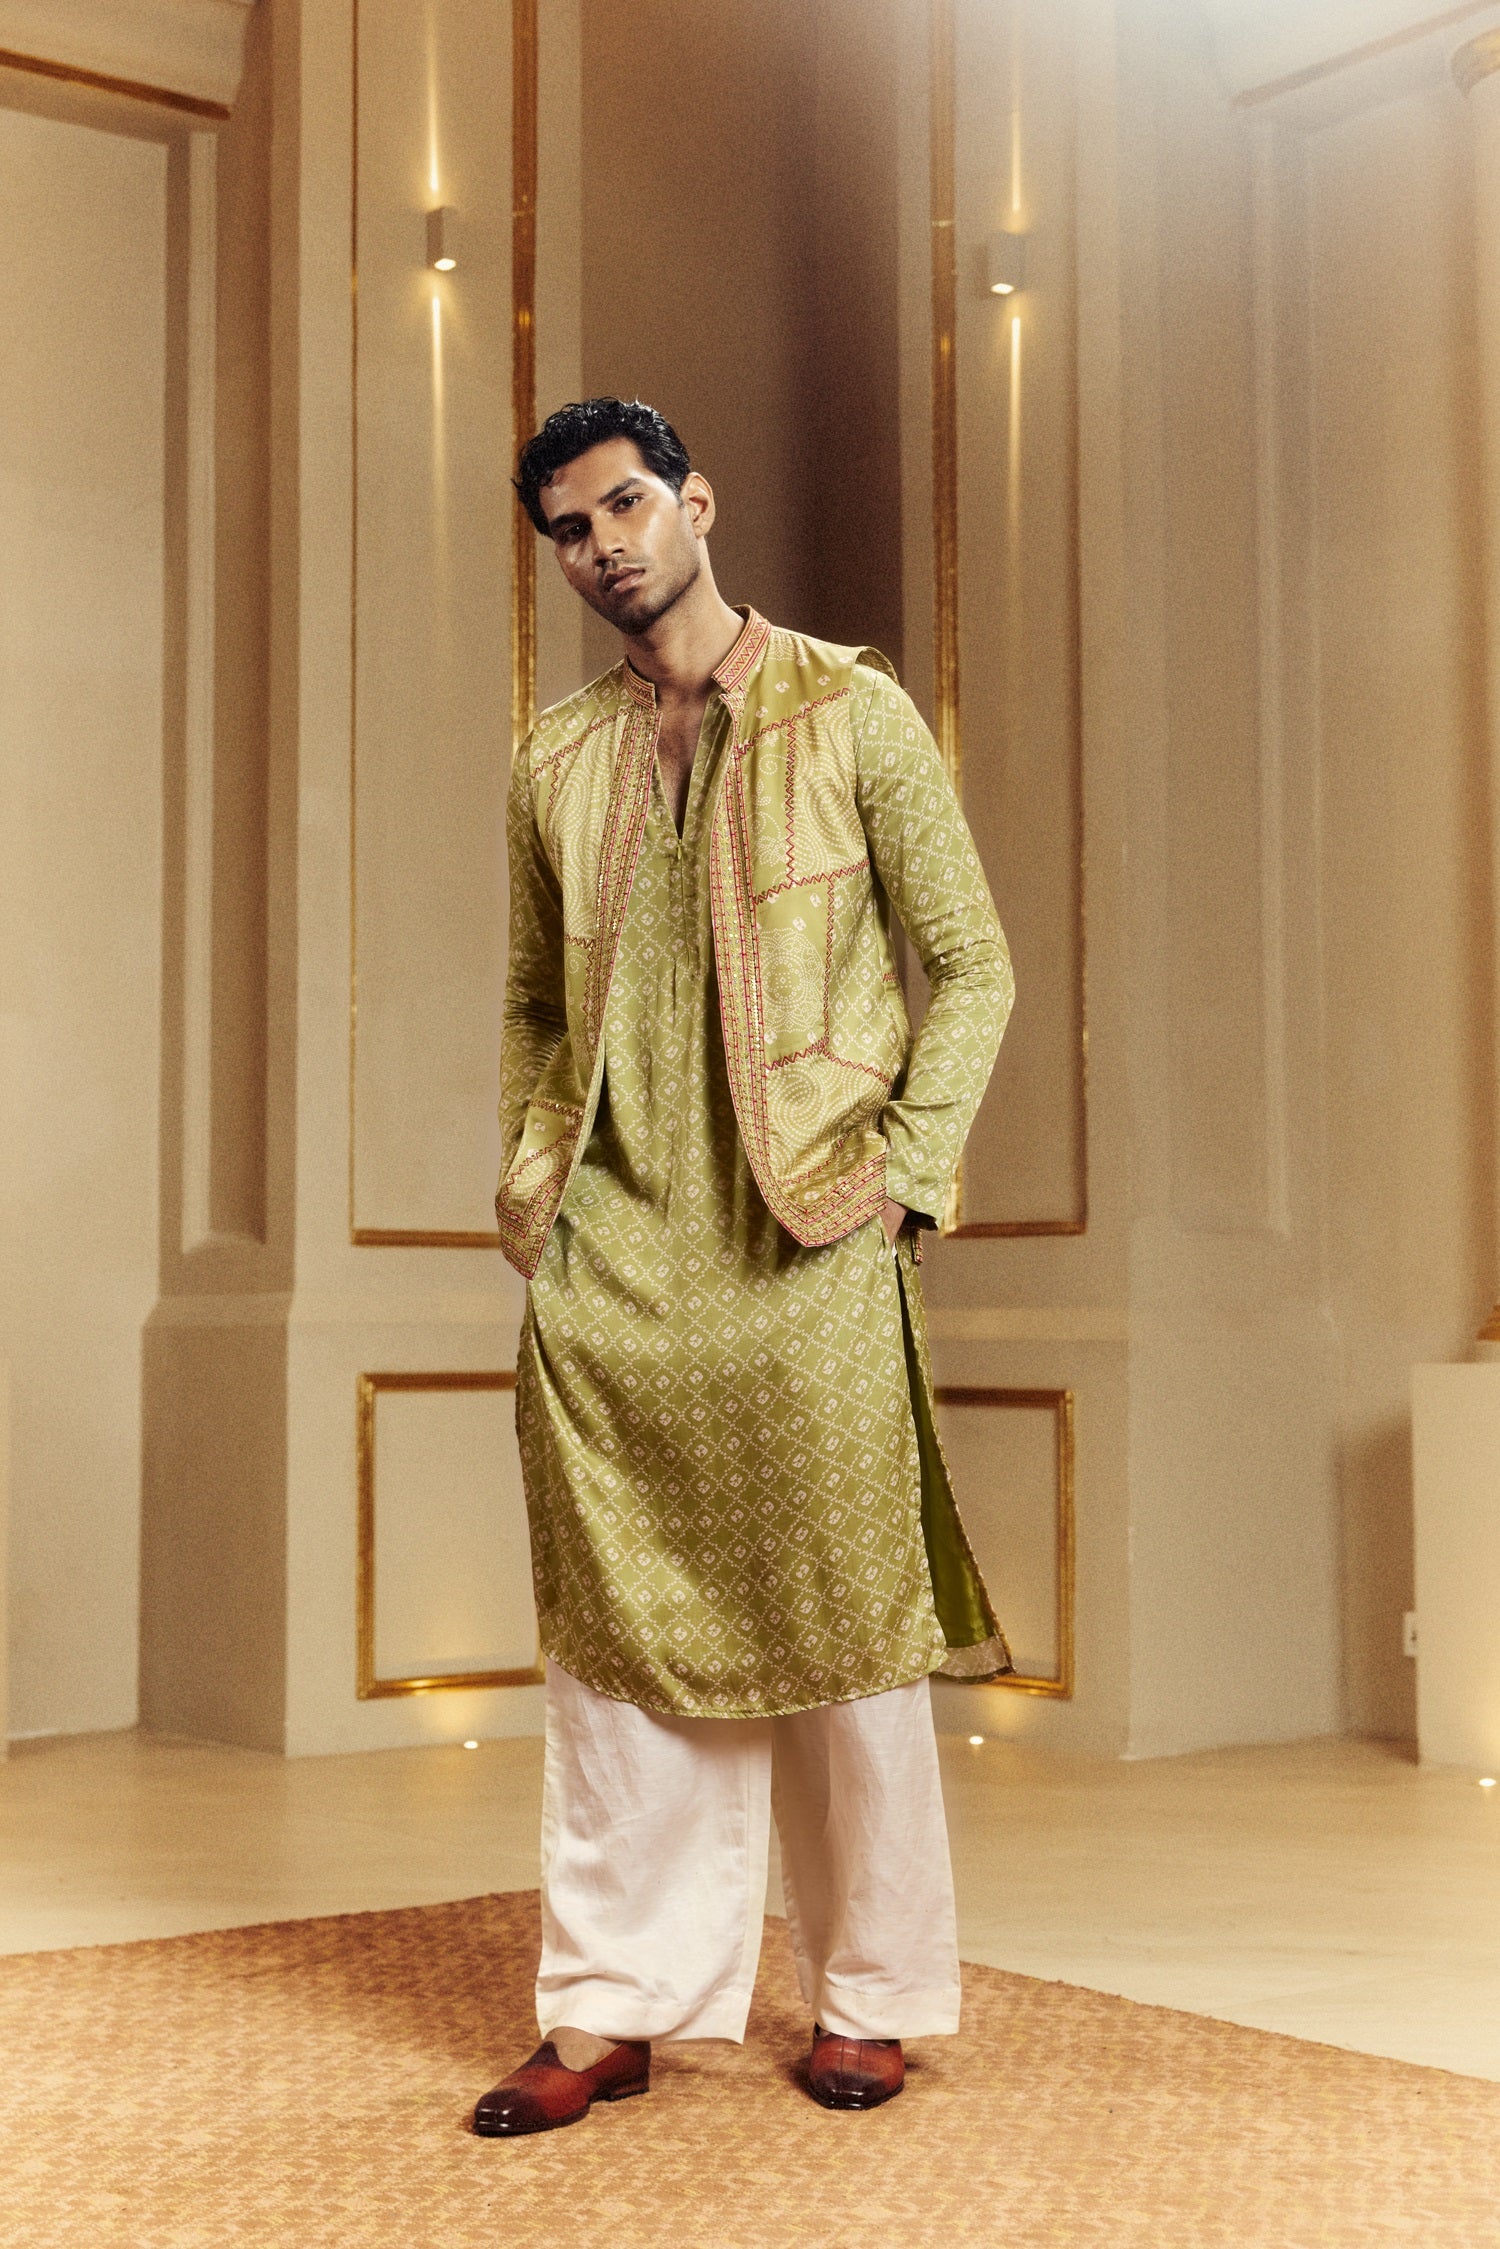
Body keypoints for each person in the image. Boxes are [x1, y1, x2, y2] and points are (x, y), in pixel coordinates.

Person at [473, 398, 1014, 2137]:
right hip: (612, 1263)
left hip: (808, 1244)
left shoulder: (849, 708)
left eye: (627, 505)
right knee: (612, 1652)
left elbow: (973, 962)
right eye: (570, 529)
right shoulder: (555, 759)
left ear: (696, 502)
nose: (604, 546)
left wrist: (905, 1181)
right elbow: (533, 1001)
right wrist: (534, 1193)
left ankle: (870, 1992)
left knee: (849, 1636)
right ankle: (608, 2005)